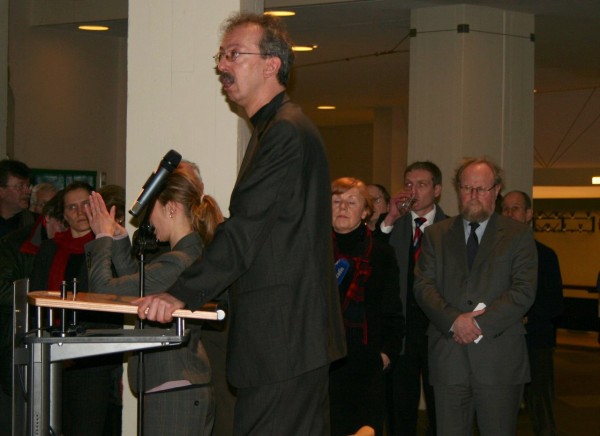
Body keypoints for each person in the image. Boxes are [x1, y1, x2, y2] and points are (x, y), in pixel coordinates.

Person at [134, 12, 346, 435]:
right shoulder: (274, 129)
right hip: (287, 340)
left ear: (272, 65)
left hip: (284, 341)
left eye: (234, 54)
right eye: (221, 55)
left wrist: (180, 294)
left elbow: (245, 232)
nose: (222, 66)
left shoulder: (284, 132)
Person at [84, 162, 223, 435]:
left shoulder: (179, 261)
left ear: (171, 208)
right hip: (178, 390)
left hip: (175, 393)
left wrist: (101, 236)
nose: (148, 221)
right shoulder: (186, 255)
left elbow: (102, 291)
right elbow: (139, 285)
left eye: (152, 210)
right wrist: (119, 238)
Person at [413, 157, 538, 436]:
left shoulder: (518, 235)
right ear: (458, 189)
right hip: (449, 358)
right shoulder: (435, 235)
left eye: (481, 189)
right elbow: (423, 286)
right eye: (467, 188)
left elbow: (523, 290)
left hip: (499, 360)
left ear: (496, 190)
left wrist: (477, 324)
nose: (473, 195)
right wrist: (454, 321)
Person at [30, 181, 123, 436]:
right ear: (64, 215)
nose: (80, 211)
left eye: (85, 204)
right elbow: (37, 298)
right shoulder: (50, 249)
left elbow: (111, 306)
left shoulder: (107, 247)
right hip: (50, 355)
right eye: (72, 207)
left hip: (91, 359)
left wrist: (75, 347)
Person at [329, 177, 404, 436]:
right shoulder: (314, 251)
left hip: (365, 364)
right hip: (323, 363)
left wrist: (386, 354)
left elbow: (392, 311)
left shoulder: (381, 254)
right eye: (336, 201)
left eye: (351, 202)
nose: (342, 207)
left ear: (365, 212)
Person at [379, 161, 447, 436]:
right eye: (408, 184)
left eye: (422, 184)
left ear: (437, 190)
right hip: (402, 333)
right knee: (400, 412)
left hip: (438, 334)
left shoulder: (451, 227)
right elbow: (372, 257)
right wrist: (389, 219)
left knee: (442, 412)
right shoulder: (393, 225)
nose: (413, 191)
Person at [0, 191, 65, 435]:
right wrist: (37, 295)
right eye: (61, 226)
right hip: (15, 337)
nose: (63, 233)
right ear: (47, 219)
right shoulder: (15, 244)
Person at [502, 190, 564, 436]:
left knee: (541, 406)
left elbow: (554, 303)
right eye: (505, 209)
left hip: (535, 342)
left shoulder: (545, 256)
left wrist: (523, 316)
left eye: (515, 208)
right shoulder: (492, 255)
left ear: (528, 214)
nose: (509, 213)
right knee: (498, 407)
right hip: (501, 342)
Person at [0, 159, 36, 238]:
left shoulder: (36, 224)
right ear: (1, 191)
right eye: (20, 186)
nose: (28, 191)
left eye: (28, 186)